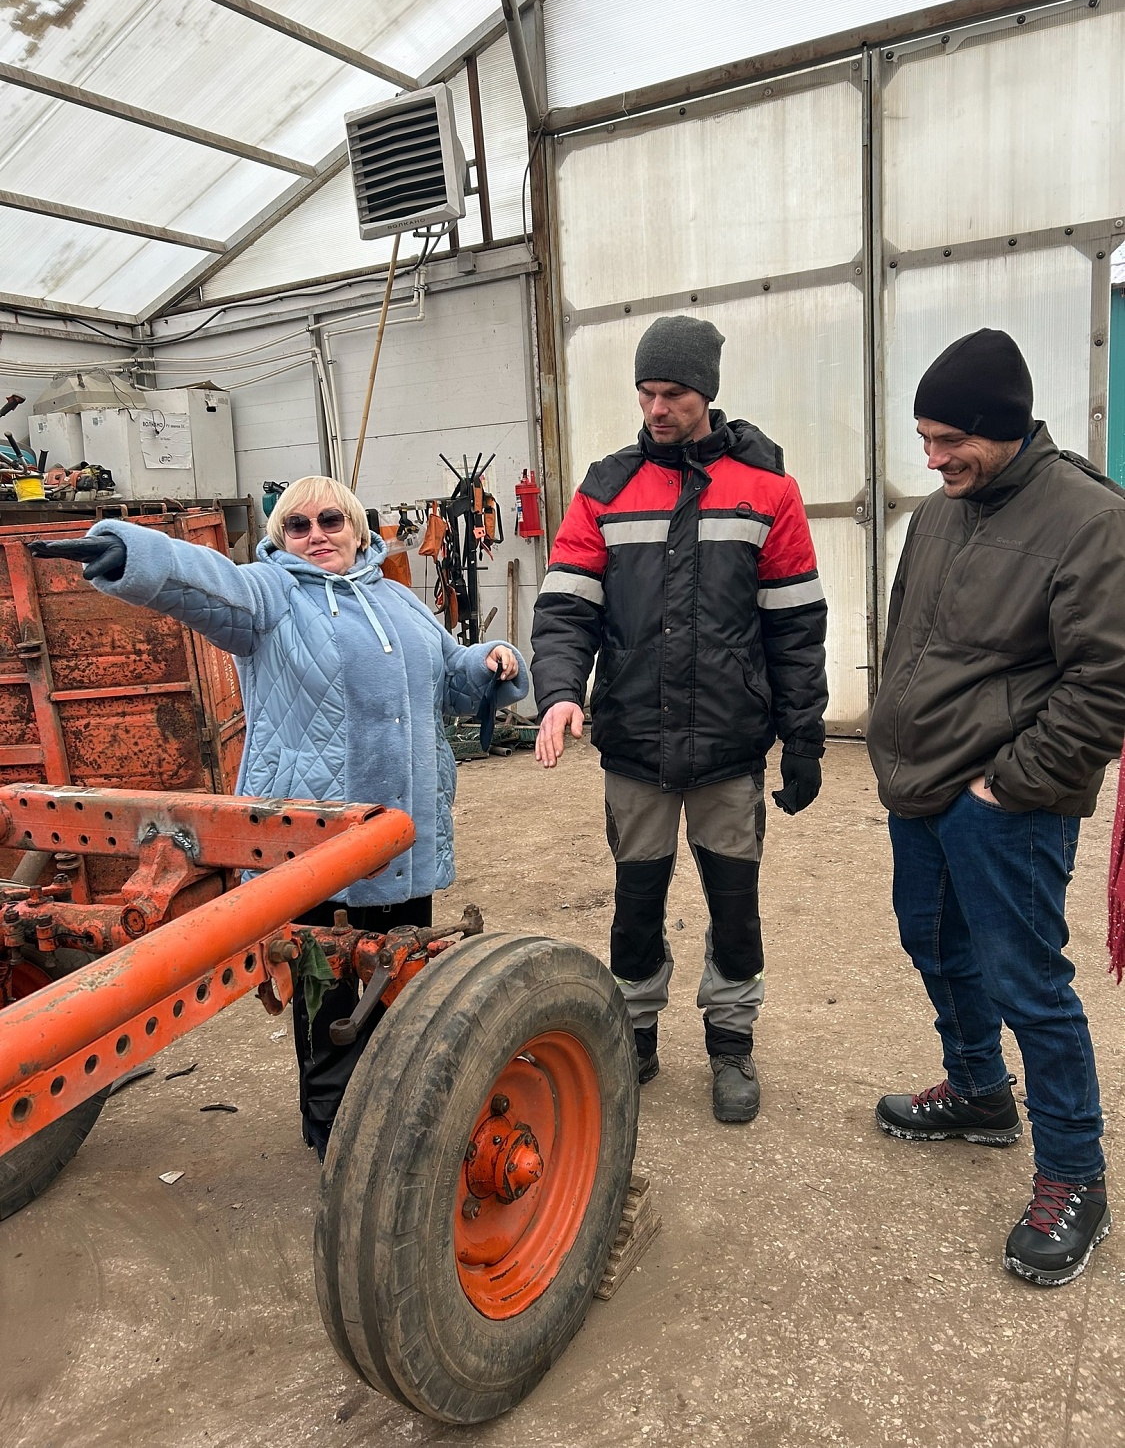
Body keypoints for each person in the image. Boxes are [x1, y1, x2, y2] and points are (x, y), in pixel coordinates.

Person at [38, 476, 527, 1158]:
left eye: (330, 520)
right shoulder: (269, 597)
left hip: (403, 837)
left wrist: (490, 661)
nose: (316, 534)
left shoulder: (398, 600)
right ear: (280, 538)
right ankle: (332, 1137)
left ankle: (387, 1122)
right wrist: (132, 552)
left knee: (401, 985)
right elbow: (203, 582)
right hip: (317, 847)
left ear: (357, 528)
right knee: (328, 1000)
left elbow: (451, 677)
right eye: (297, 526)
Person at [866, 328, 1125, 1286]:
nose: (933, 461)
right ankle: (979, 1091)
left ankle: (1074, 1175)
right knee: (932, 944)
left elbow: (1107, 682)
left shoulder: (1090, 520)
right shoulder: (942, 513)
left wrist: (1005, 785)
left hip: (1007, 803)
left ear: (1004, 425)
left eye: (949, 441)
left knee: (1029, 986)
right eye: (924, 441)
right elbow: (908, 636)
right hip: (921, 785)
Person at [531, 315, 828, 1123]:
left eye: (673, 394)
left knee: (734, 903)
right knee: (635, 902)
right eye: (645, 392)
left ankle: (731, 1041)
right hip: (634, 741)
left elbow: (795, 627)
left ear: (706, 393)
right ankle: (634, 1034)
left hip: (730, 744)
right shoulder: (605, 489)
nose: (656, 409)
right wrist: (560, 690)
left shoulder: (767, 490)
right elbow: (565, 610)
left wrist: (803, 736)